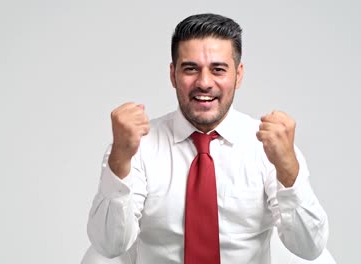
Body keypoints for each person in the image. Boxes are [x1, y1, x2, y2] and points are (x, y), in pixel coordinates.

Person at [87, 13, 329, 263]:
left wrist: (288, 168)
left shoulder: (268, 148)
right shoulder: (138, 146)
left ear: (239, 75)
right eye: (190, 69)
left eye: (218, 69)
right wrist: (119, 160)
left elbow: (310, 248)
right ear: (173, 75)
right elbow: (108, 246)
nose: (204, 83)